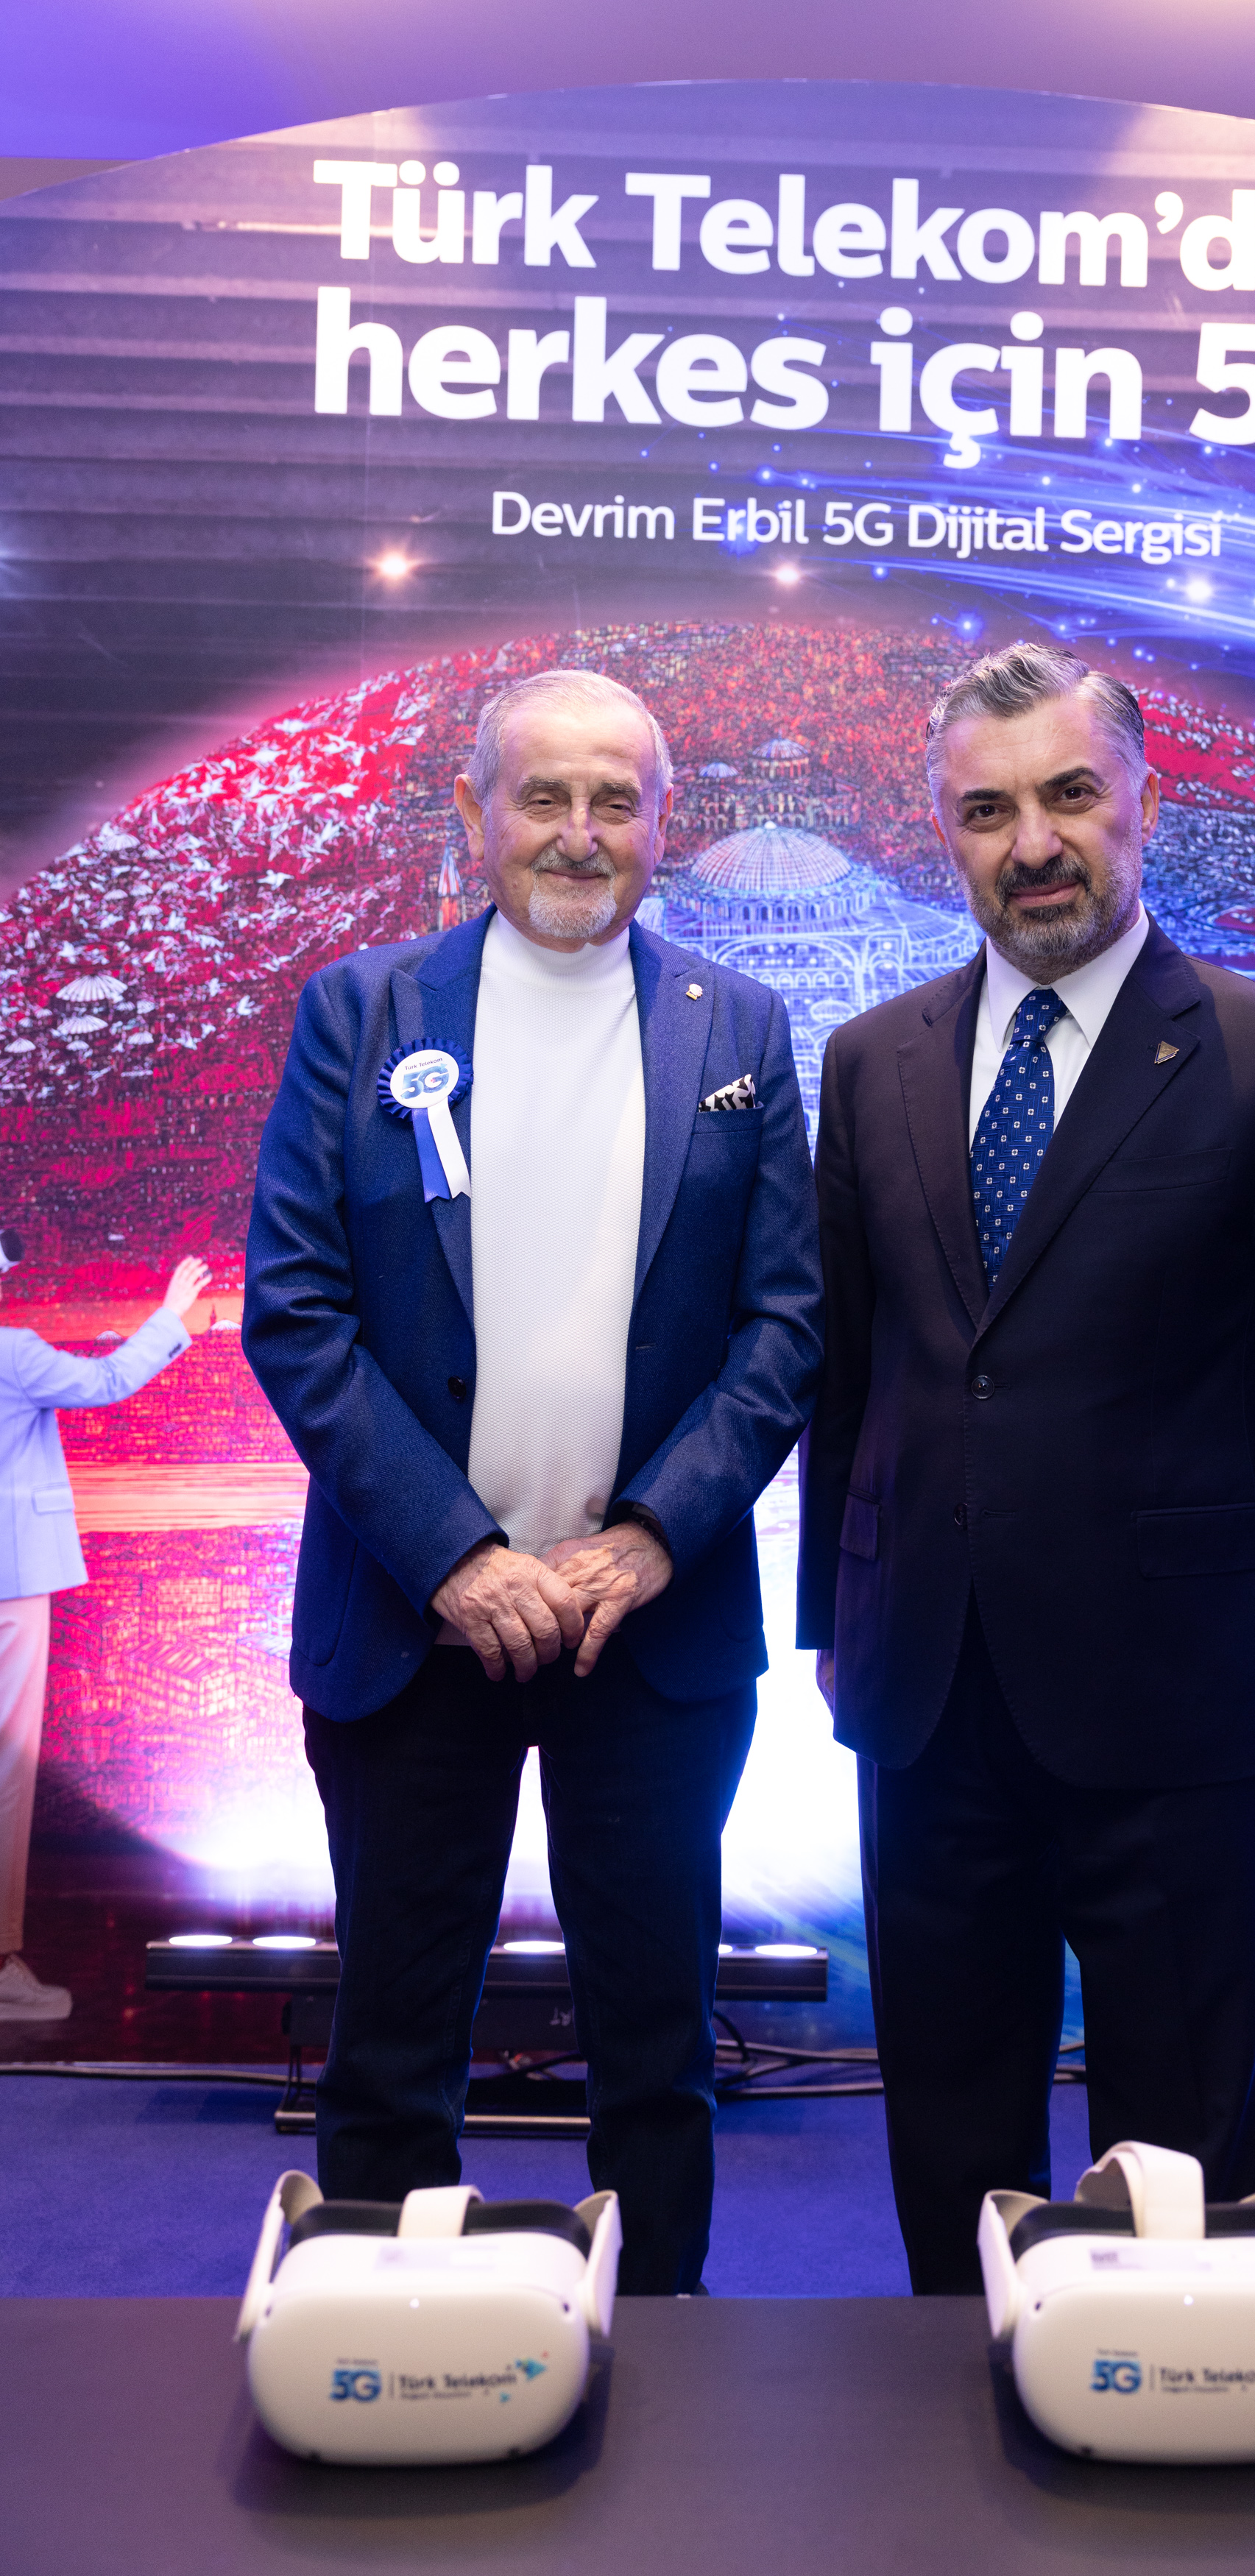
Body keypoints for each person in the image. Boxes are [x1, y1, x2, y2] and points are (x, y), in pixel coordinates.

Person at [796, 641, 1255, 2293]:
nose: (1034, 844)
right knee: (948, 2113)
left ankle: (1179, 2397)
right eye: (986, 811)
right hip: (926, 1687)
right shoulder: (870, 1061)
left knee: (1182, 2138)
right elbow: (852, 1370)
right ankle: (958, 2384)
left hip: (1186, 1698)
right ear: (946, 831)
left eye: (1069, 795)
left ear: (1143, 802)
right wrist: (830, 1626)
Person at [243, 668, 821, 2294]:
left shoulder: (741, 1028)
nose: (579, 833)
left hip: (652, 1628)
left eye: (614, 800)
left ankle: (666, 2353)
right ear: (473, 812)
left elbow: (785, 1326)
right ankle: (372, 2346)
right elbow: (297, 1311)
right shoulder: (360, 1014)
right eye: (543, 796)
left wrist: (646, 1538)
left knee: (658, 2054)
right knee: (389, 2046)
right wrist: (455, 1556)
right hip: (412, 1622)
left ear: (662, 822)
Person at [0, 1245, 211, 2019]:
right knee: (7, 1768)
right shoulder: (14, 1354)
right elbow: (108, 1383)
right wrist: (170, 1314)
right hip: (11, 1577)